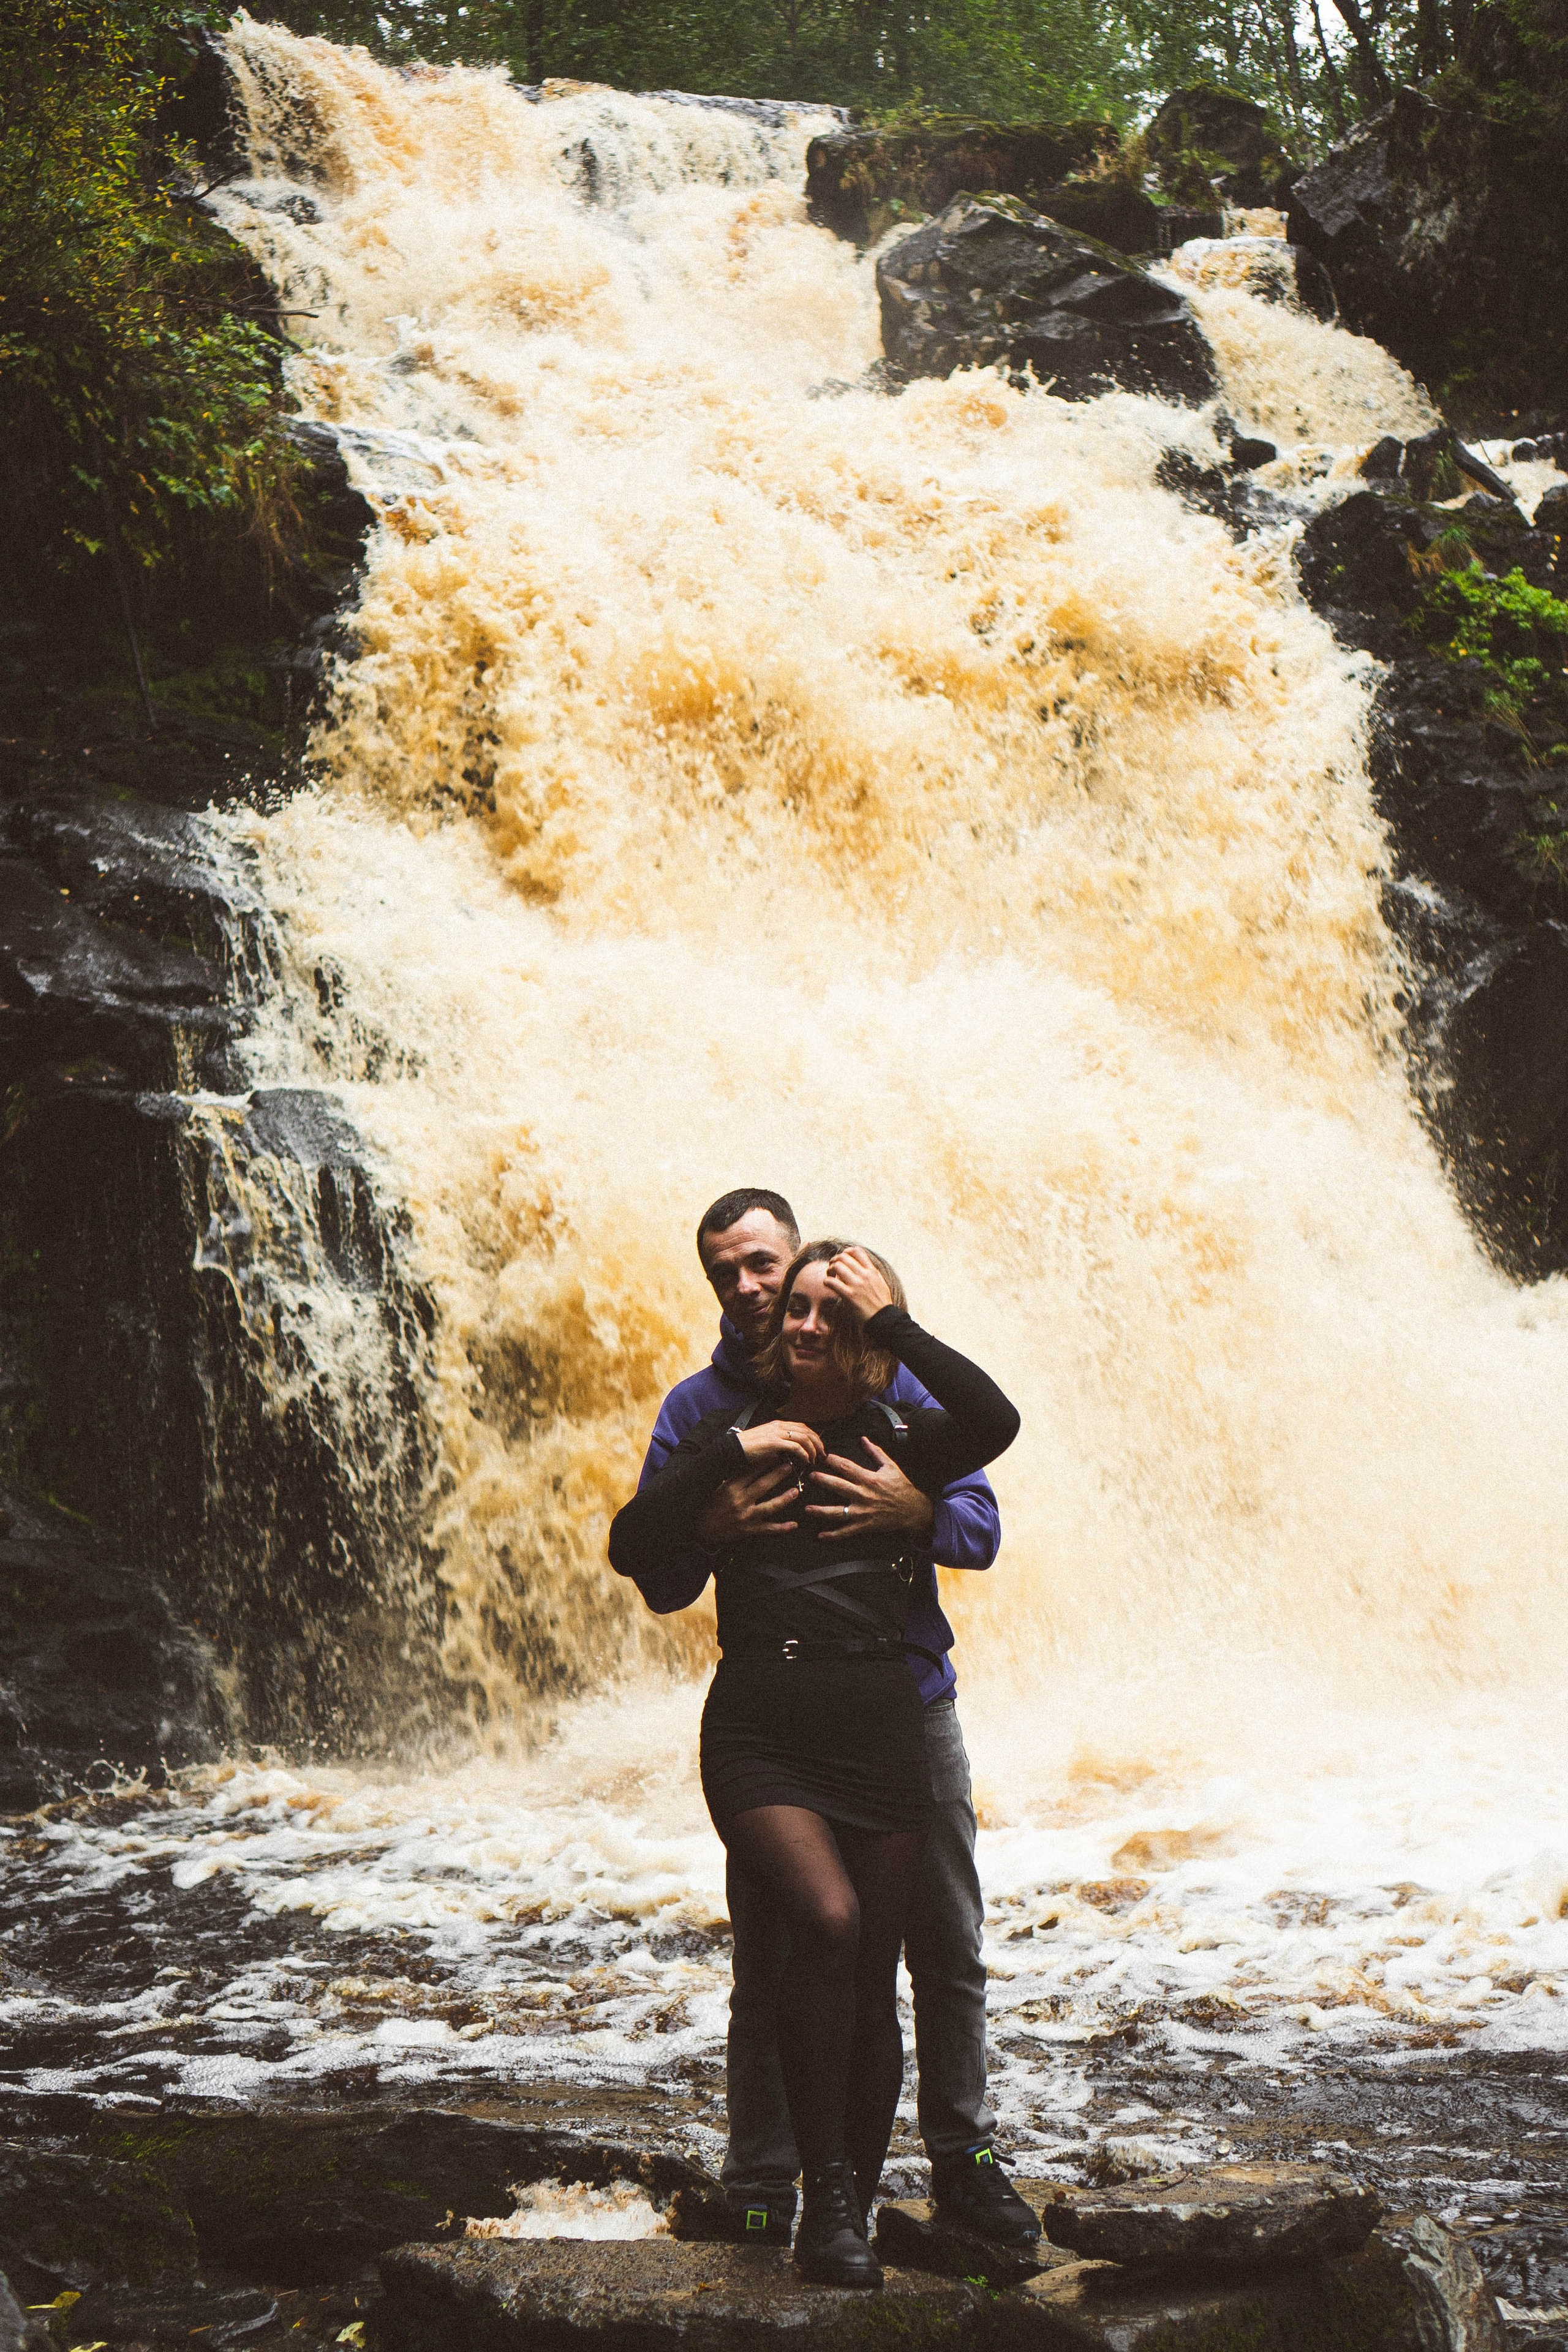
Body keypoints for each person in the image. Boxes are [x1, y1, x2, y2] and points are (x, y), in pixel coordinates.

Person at [622, 1190, 1041, 2255]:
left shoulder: (884, 1377)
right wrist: (712, 1514)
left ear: (803, 1262)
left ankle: (966, 2161)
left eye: (767, 1264)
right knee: (786, 1950)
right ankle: (772, 2181)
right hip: (775, 1712)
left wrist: (920, 1513)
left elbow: (981, 1524)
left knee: (940, 1953)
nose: (756, 1291)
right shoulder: (708, 1409)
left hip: (907, 1704)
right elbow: (657, 1571)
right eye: (730, 1273)